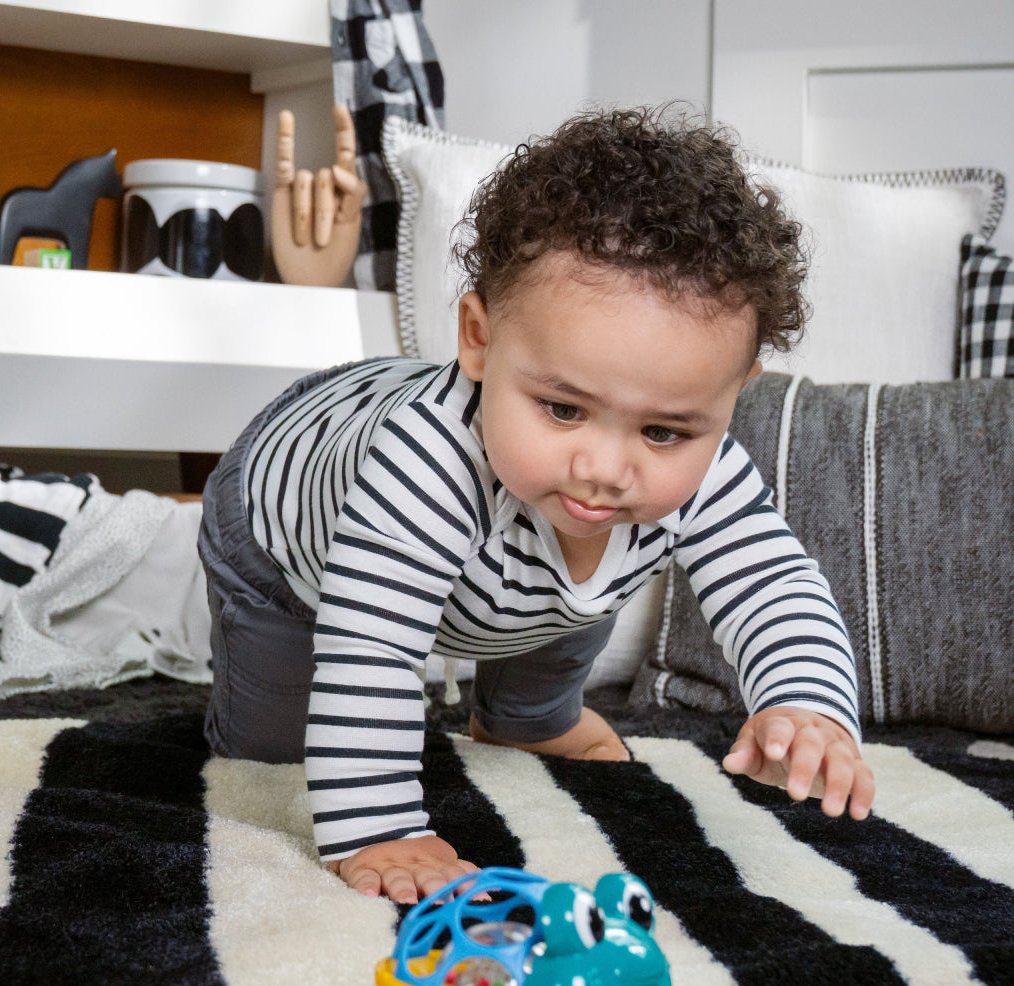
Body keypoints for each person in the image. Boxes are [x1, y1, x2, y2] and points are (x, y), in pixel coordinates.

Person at [199, 105, 875, 904]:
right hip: (283, 526)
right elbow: (371, 649)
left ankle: (526, 716)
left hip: (506, 556)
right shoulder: (426, 463)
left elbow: (772, 583)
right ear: (479, 339)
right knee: (271, 753)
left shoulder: (693, 471)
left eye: (663, 430)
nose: (604, 468)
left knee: (571, 564)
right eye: (562, 409)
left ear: (733, 398)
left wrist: (807, 704)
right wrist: (381, 830)